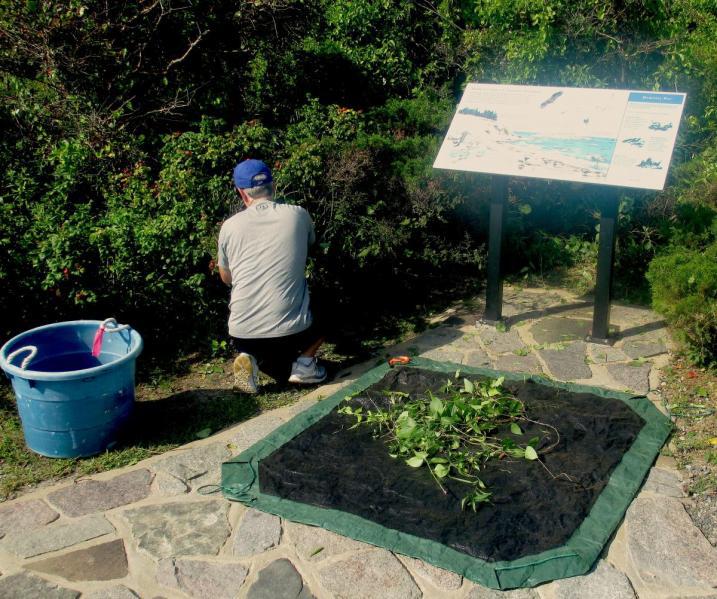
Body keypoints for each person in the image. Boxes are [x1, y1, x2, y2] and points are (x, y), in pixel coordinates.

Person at [217, 159, 326, 393]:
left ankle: (249, 358)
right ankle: (305, 364)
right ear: (272, 186)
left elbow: (226, 278)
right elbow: (311, 246)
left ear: (241, 193)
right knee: (328, 294)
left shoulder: (229, 226)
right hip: (294, 333)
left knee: (243, 309)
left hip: (242, 333)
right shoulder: (298, 215)